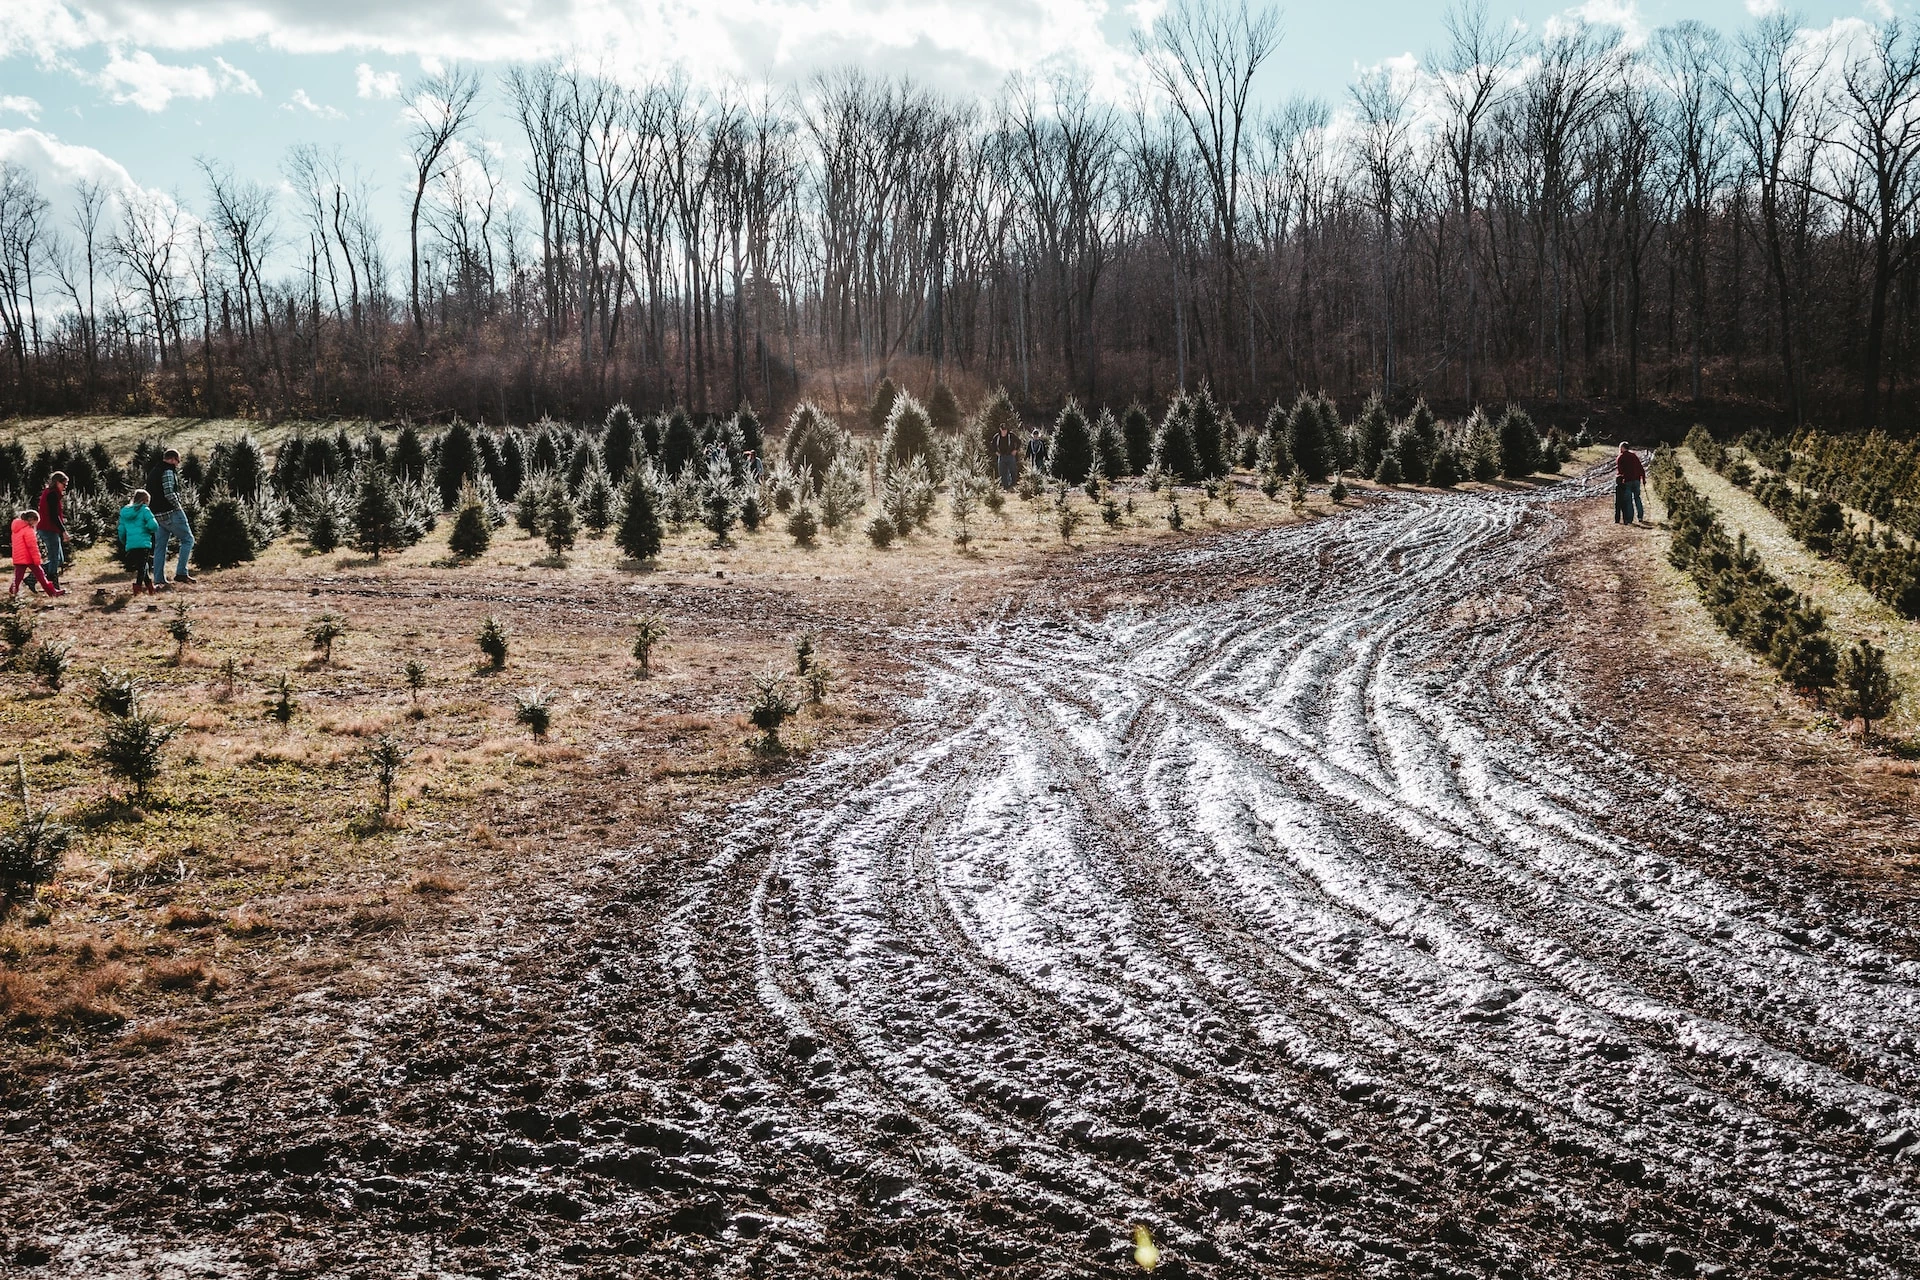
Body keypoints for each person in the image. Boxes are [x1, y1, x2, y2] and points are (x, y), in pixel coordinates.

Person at [144, 448, 195, 587]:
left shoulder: (154, 471)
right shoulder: (167, 471)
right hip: (170, 512)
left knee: (160, 546)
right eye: (177, 461)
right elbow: (169, 493)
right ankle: (181, 573)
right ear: (172, 459)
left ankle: (159, 579)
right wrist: (178, 507)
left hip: (156, 514)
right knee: (188, 540)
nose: (177, 465)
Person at [10, 511, 64, 598]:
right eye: (36, 522)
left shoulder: (16, 529)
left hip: (18, 557)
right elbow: (32, 547)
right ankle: (52, 592)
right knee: (41, 576)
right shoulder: (28, 530)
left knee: (18, 577)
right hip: (29, 558)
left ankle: (13, 592)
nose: (36, 525)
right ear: (31, 520)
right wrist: (37, 560)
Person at [118, 489, 160, 594]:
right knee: (142, 567)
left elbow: (121, 530)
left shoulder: (124, 511)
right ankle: (137, 587)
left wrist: (124, 541)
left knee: (143, 565)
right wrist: (147, 528)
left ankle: (151, 588)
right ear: (145, 500)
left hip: (131, 544)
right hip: (143, 543)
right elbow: (154, 526)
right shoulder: (144, 510)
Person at [35, 471, 69, 590]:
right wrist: (63, 531)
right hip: (48, 529)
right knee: (54, 558)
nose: (65, 487)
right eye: (64, 484)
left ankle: (33, 577)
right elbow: (54, 516)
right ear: (57, 482)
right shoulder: (52, 495)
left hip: (49, 529)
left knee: (59, 559)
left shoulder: (51, 493)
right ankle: (53, 585)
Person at [1614, 442, 1646, 524]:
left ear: (1623, 448)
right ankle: (1640, 516)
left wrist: (1619, 478)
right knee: (1637, 498)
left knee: (1628, 500)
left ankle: (1630, 518)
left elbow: (1620, 471)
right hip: (1636, 480)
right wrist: (1643, 478)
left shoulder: (1621, 457)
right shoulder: (1634, 456)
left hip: (1627, 481)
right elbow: (1640, 467)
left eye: (1620, 447)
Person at [993, 421, 1021, 490]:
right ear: (1000, 429)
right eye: (1003, 430)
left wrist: (1015, 450)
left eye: (1005, 430)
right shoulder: (997, 436)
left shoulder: (1011, 435)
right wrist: (995, 452)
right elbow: (992, 445)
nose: (1004, 431)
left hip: (1010, 456)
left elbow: (1019, 442)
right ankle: (1005, 487)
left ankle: (1013, 485)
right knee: (1002, 472)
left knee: (1013, 471)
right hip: (1001, 456)